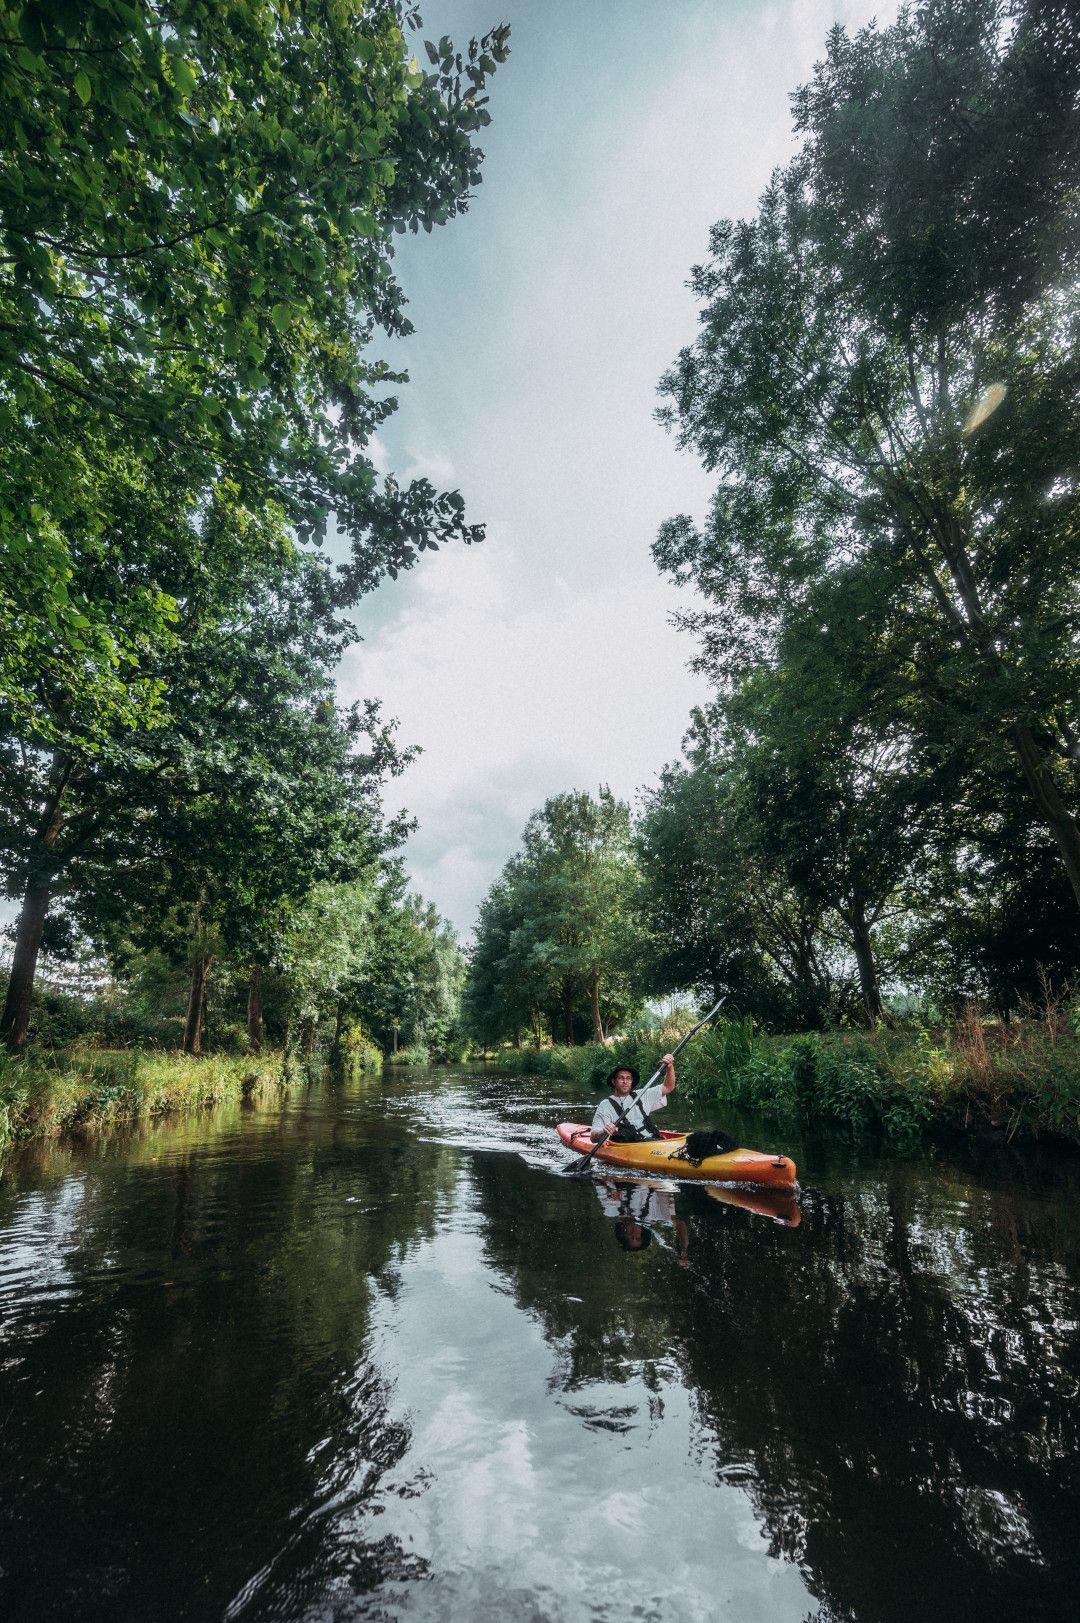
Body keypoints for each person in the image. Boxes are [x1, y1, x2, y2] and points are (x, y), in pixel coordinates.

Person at [590, 1052, 675, 1144]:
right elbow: (593, 1138)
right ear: (613, 1081)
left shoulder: (642, 1094)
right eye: (621, 1078)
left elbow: (668, 1087)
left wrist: (669, 1067)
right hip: (630, 1148)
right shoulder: (605, 1105)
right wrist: (602, 1132)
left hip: (655, 1142)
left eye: (628, 1078)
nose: (625, 1081)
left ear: (631, 1081)